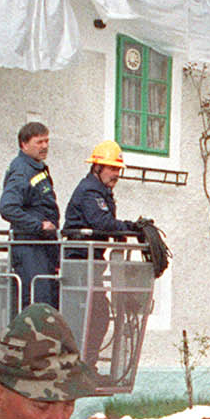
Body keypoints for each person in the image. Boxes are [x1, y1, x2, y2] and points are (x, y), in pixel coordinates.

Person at [61, 140, 141, 359]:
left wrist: (124, 230)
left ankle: (87, 364)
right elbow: (101, 222)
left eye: (118, 170)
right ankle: (81, 364)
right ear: (97, 167)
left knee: (97, 316)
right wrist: (129, 227)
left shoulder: (101, 190)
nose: (116, 174)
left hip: (91, 263)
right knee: (90, 316)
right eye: (112, 168)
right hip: (79, 262)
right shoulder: (90, 191)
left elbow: (105, 223)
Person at [0, 121, 60, 309]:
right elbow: (7, 207)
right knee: (36, 304)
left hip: (43, 249)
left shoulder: (37, 168)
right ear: (24, 144)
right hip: (29, 249)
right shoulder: (22, 170)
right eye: (39, 142)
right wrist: (38, 226)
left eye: (47, 141)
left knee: (48, 304)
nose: (45, 146)